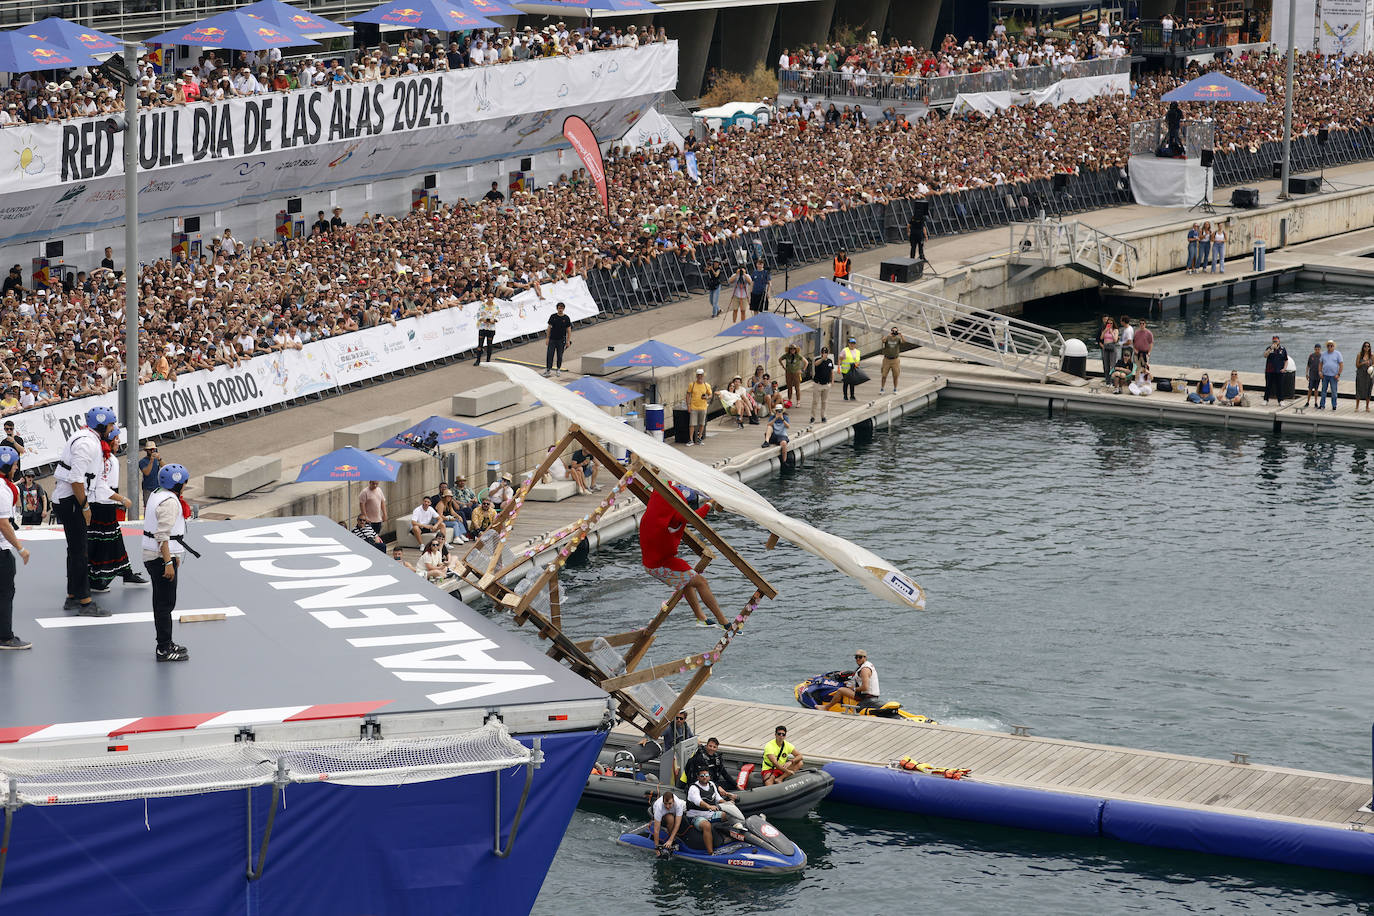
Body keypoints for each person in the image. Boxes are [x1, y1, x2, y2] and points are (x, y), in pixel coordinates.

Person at [54, 405, 117, 616]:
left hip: (70, 500)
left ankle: (73, 596)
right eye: (110, 425)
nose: (112, 429)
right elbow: (76, 479)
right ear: (101, 424)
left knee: (75, 550)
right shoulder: (87, 444)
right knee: (80, 552)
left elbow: (94, 481)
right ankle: (85, 602)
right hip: (71, 501)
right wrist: (86, 507)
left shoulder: (88, 439)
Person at [638, 484, 727, 627]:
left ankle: (701, 617)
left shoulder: (658, 499)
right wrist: (710, 503)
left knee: (687, 581)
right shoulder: (675, 516)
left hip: (660, 560)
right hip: (659, 564)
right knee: (701, 582)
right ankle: (723, 621)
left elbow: (659, 481)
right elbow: (694, 518)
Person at [142, 463, 192, 662]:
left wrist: (174, 555)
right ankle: (164, 648)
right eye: (185, 482)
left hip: (156, 556)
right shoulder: (170, 502)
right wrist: (168, 563)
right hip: (159, 558)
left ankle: (166, 642)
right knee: (165, 604)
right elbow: (162, 535)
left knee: (161, 602)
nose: (186, 485)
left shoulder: (158, 494)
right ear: (178, 484)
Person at [89, 427, 146, 592]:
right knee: (104, 544)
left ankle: (125, 573)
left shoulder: (106, 458)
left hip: (104, 506)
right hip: (102, 507)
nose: (119, 441)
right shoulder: (106, 460)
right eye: (116, 438)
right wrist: (122, 499)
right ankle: (98, 579)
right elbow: (102, 488)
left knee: (113, 541)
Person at [0, 446, 31, 650]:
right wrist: (20, 549)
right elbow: (3, 524)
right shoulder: (2, 489)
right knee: (5, 593)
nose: (16, 468)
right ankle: (5, 637)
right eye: (14, 465)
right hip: (1, 552)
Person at [685, 768, 738, 854]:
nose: (704, 777)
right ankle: (711, 853)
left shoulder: (712, 785)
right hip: (696, 816)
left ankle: (730, 839)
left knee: (728, 816)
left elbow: (718, 798)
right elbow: (698, 801)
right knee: (706, 825)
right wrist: (709, 806)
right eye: (702, 776)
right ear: (698, 777)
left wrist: (727, 803)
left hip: (710, 814)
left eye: (706, 775)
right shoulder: (693, 788)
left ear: (709, 776)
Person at [650, 790, 686, 857]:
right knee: (670, 819)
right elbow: (656, 830)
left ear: (673, 801)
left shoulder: (679, 804)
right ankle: (671, 838)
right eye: (665, 804)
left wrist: (670, 840)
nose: (667, 806)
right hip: (663, 814)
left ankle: (672, 838)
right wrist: (657, 848)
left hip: (676, 810)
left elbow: (677, 824)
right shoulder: (659, 807)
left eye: (670, 803)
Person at [685, 368, 712, 446]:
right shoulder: (692, 384)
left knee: (702, 423)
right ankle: (691, 439)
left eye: (701, 375)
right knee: (692, 424)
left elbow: (710, 394)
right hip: (694, 407)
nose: (700, 377)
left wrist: (707, 397)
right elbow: (688, 394)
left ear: (703, 376)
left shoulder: (706, 385)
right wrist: (688, 405)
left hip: (703, 407)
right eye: (698, 375)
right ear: (696, 376)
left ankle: (699, 438)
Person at [544, 301, 572, 377]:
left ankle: (558, 369)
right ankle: (548, 369)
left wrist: (568, 341)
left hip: (561, 340)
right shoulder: (553, 316)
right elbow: (549, 328)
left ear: (564, 309)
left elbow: (569, 330)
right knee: (550, 355)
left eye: (562, 308)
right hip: (552, 339)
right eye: (559, 308)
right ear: (557, 309)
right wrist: (547, 338)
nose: (560, 310)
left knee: (559, 355)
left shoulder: (566, 318)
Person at [810, 347, 834, 423]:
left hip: (826, 384)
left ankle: (823, 416)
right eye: (823, 352)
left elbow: (831, 371)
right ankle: (813, 417)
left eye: (826, 352)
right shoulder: (818, 360)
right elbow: (816, 364)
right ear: (821, 353)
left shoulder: (830, 361)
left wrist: (832, 381)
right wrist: (822, 359)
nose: (824, 354)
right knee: (815, 401)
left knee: (824, 402)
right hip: (818, 384)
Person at [1263, 336, 1289, 405]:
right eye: (1274, 341)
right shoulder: (1269, 348)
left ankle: (1281, 400)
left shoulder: (1282, 349)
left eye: (1276, 341)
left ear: (1279, 341)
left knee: (1280, 386)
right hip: (1269, 370)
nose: (1275, 342)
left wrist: (1284, 368)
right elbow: (1265, 355)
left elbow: (1286, 360)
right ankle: (1266, 399)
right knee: (1268, 386)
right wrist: (1270, 349)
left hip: (1279, 371)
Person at [879, 326, 905, 393]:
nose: (894, 332)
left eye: (895, 331)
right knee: (884, 375)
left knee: (895, 375)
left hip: (895, 360)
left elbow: (904, 342)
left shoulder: (898, 338)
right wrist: (888, 335)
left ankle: (895, 389)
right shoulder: (888, 337)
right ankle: (882, 388)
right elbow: (883, 340)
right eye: (893, 331)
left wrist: (901, 335)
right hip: (886, 359)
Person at [475, 296, 499, 365]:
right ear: (487, 298)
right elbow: (478, 315)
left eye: (491, 297)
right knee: (480, 345)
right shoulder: (482, 306)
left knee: (489, 345)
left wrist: (494, 320)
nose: (490, 299)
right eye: (488, 297)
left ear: (493, 298)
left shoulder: (496, 306)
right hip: (482, 327)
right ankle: (478, 360)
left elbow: (498, 316)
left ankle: (488, 361)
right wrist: (482, 319)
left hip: (491, 328)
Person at [1319, 339, 1343, 410]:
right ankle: (1322, 405)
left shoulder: (1338, 354)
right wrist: (1320, 372)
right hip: (1325, 375)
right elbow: (1320, 363)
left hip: (1334, 376)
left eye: (1331, 346)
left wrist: (1338, 374)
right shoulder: (1323, 354)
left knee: (1334, 392)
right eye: (1328, 346)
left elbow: (1341, 364)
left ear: (1334, 346)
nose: (1330, 347)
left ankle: (1334, 405)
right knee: (1323, 391)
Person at [840, 336, 862, 401]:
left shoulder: (857, 351)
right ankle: (845, 396)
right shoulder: (844, 350)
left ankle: (852, 396)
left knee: (852, 383)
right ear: (848, 344)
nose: (852, 345)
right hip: (845, 370)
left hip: (853, 370)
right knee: (846, 383)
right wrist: (838, 367)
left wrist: (857, 364)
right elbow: (840, 358)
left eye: (853, 343)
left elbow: (858, 361)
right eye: (851, 343)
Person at [1357, 341, 1374, 412]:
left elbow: (1373, 364)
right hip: (1361, 374)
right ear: (1363, 347)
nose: (1367, 347)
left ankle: (1367, 406)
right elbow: (1357, 365)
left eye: (1368, 346)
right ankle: (1357, 406)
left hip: (1369, 375)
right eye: (1365, 346)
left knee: (1369, 390)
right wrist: (1364, 363)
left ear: (1370, 347)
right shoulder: (1359, 355)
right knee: (1359, 389)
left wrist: (1371, 366)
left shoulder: (1372, 355)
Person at [1305, 343, 1323, 408]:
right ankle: (1307, 402)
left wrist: (1322, 374)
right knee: (1310, 389)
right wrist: (1306, 374)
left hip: (1318, 375)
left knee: (1316, 389)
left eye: (1318, 349)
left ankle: (1316, 403)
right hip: (1311, 375)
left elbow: (1323, 366)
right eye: (1316, 349)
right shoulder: (1311, 356)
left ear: (1320, 349)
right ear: (1314, 349)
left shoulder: (1322, 356)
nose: (1317, 350)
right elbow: (1308, 365)